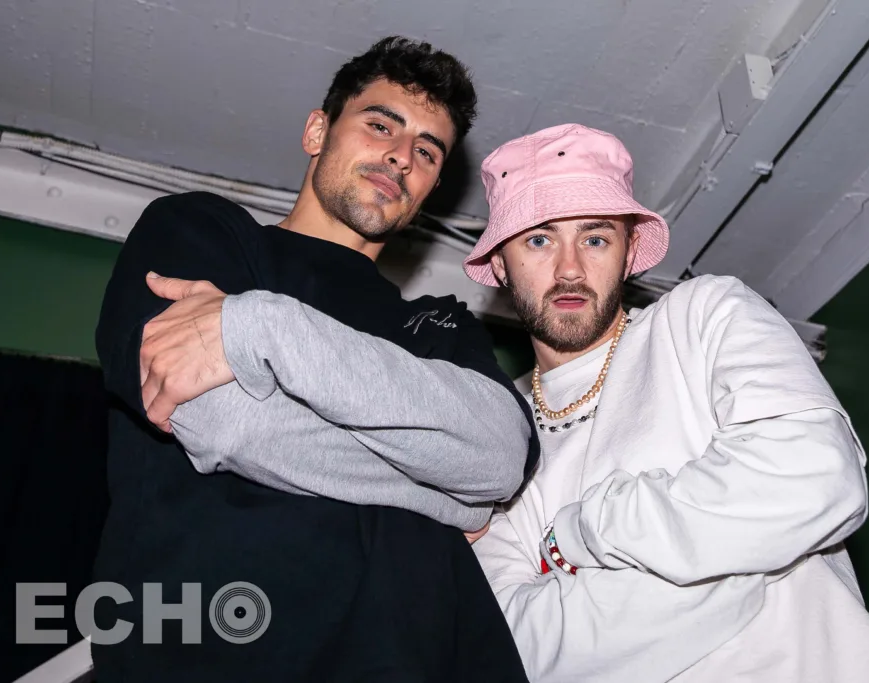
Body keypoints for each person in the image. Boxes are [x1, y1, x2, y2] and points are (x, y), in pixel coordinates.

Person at [91, 37, 538, 683]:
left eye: (426, 150)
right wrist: (448, 499)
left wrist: (260, 325)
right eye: (381, 124)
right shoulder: (205, 234)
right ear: (317, 130)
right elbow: (226, 422)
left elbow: (496, 458)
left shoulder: (438, 324)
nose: (399, 155)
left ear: (433, 186)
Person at [462, 123, 869, 682]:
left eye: (596, 237)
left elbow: (818, 478)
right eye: (539, 239)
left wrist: (586, 531)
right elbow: (517, 648)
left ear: (629, 251)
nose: (570, 269)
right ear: (501, 264)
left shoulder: (703, 315)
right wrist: (743, 559)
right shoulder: (493, 430)